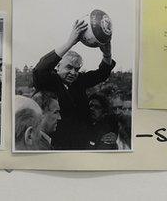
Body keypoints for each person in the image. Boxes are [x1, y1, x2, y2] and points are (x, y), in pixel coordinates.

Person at [32, 19, 115, 150]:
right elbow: (39, 70)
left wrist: (107, 53)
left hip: (82, 143)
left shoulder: (78, 81)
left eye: (77, 69)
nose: (73, 72)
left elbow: (102, 74)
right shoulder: (50, 81)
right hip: (57, 145)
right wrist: (70, 42)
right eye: (69, 67)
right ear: (57, 66)